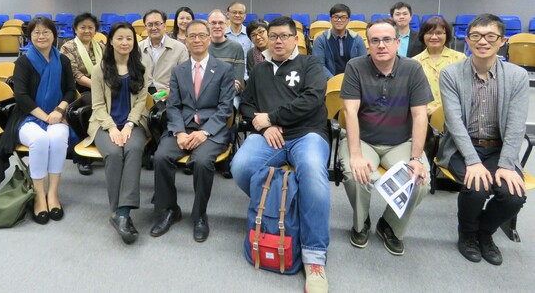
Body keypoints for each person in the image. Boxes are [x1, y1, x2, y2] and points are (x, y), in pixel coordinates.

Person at [231, 16, 330, 293]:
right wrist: (264, 125)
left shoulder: (310, 64)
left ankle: (314, 258)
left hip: (307, 133)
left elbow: (312, 100)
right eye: (272, 36)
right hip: (269, 137)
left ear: (295, 39)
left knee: (312, 173)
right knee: (240, 166)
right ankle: (283, 210)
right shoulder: (260, 70)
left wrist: (273, 118)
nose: (277, 41)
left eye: (284, 36)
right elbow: (247, 106)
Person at [437, 14, 528, 266]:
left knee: (513, 196)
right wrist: (473, 161)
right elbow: (454, 124)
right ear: (467, 40)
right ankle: (466, 233)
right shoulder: (451, 74)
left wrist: (508, 164)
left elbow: (516, 125)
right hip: (461, 147)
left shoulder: (517, 76)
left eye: (490, 36)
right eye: (476, 36)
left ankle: (484, 233)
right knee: (477, 187)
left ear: (503, 40)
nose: (483, 41)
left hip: (499, 149)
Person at [340, 18, 432, 256]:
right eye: (375, 40)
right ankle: (361, 224)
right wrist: (356, 154)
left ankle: (389, 225)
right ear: (368, 43)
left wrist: (416, 158)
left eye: (387, 39)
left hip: (401, 142)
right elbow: (350, 111)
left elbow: (420, 115)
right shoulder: (355, 66)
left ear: (397, 42)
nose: (381, 45)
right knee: (354, 174)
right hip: (364, 139)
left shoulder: (413, 69)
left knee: (419, 181)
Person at [150, 20, 235, 242]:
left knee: (202, 161)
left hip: (211, 130)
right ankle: (170, 210)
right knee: (160, 157)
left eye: (201, 36)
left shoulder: (224, 69)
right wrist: (178, 132)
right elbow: (173, 105)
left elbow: (225, 108)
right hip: (183, 127)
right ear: (185, 41)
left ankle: (199, 215)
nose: (197, 40)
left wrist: (204, 132)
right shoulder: (179, 71)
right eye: (192, 36)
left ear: (209, 38)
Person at [0, 17, 76, 225]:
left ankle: (53, 193)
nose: (41, 36)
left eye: (46, 32)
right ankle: (39, 196)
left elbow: (70, 90)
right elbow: (21, 96)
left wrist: (59, 111)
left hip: (57, 114)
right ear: (30, 36)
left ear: (54, 35)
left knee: (58, 138)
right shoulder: (23, 62)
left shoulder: (63, 60)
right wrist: (46, 117)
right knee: (40, 140)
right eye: (36, 33)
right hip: (27, 117)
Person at [86, 22, 149, 244]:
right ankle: (117, 212)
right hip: (104, 124)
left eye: (129, 38)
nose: (124, 42)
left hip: (134, 124)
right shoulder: (99, 70)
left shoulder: (140, 68)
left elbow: (141, 102)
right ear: (110, 41)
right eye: (120, 38)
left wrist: (129, 125)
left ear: (134, 42)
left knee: (133, 150)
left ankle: (122, 214)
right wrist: (112, 127)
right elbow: (97, 105)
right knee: (113, 153)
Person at [60, 12, 104, 175]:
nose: (87, 31)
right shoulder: (68, 46)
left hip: (101, 87)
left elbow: (110, 68)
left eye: (90, 27)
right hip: (79, 89)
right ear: (75, 29)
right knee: (82, 112)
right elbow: (75, 74)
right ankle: (82, 158)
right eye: (83, 27)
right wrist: (97, 86)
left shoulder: (100, 46)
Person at [412, 16, 466, 115]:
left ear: (447, 35)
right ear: (423, 35)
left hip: (454, 115)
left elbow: (466, 90)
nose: (434, 37)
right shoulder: (414, 62)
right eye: (429, 33)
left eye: (439, 33)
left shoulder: (460, 59)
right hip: (424, 116)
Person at [139, 9, 188, 94]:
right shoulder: (137, 48)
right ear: (145, 27)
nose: (154, 28)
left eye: (157, 24)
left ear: (165, 26)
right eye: (150, 25)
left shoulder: (180, 48)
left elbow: (185, 79)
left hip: (170, 95)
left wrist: (169, 93)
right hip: (143, 95)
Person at [313, 3, 367, 79]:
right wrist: (334, 81)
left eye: (343, 17)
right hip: (328, 83)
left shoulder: (357, 39)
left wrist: (351, 81)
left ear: (348, 20)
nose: (339, 20)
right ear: (330, 19)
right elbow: (319, 66)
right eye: (335, 17)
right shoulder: (321, 40)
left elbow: (363, 65)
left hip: (353, 82)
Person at [207, 9, 245, 95]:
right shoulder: (202, 47)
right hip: (206, 95)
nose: (217, 26)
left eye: (220, 23)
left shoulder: (236, 47)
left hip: (230, 95)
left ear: (226, 25)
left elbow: (238, 84)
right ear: (208, 25)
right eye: (213, 23)